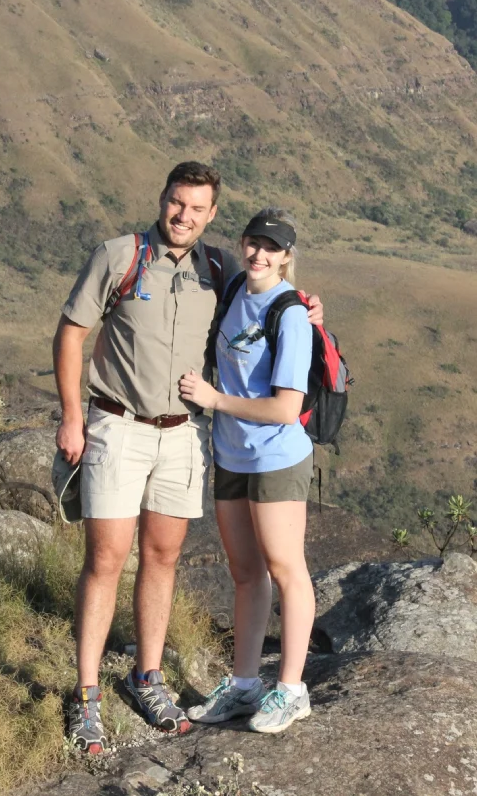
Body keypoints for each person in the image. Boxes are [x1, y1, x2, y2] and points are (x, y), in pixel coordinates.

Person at [53, 162, 323, 752]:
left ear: (212, 215)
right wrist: (72, 417)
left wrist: (306, 308)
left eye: (198, 208)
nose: (185, 215)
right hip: (120, 426)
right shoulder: (122, 257)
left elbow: (277, 307)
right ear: (163, 198)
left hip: (184, 436)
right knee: (107, 558)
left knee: (163, 556)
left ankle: (148, 678)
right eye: (178, 203)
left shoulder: (219, 268)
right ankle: (87, 694)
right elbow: (71, 332)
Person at [179, 208, 315, 734]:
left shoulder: (291, 314)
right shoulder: (236, 286)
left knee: (285, 569)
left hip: (275, 456)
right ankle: (243, 685)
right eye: (254, 242)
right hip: (232, 453)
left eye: (271, 247)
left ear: (286, 257)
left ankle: (291, 690)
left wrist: (214, 399)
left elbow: (286, 408)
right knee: (245, 573)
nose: (259, 253)